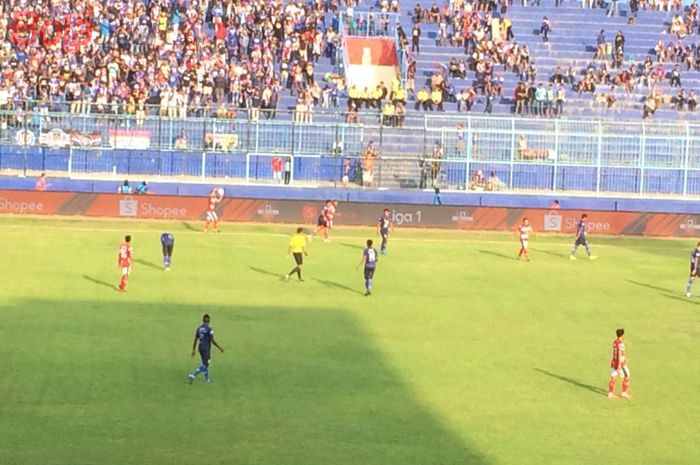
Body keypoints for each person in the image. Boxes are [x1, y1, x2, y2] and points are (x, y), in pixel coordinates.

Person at [188, 314, 224, 385]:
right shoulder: (209, 329)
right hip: (206, 348)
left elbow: (196, 339)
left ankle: (207, 379)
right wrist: (219, 347)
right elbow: (212, 340)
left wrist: (193, 349)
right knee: (206, 363)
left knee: (204, 363)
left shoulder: (199, 328)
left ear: (203, 320)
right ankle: (193, 375)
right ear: (209, 321)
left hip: (200, 347)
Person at [607, 329, 631, 399]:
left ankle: (610, 393)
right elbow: (620, 354)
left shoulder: (615, 342)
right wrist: (620, 364)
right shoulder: (621, 344)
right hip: (620, 363)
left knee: (613, 378)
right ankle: (624, 392)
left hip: (613, 362)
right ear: (623, 334)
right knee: (627, 377)